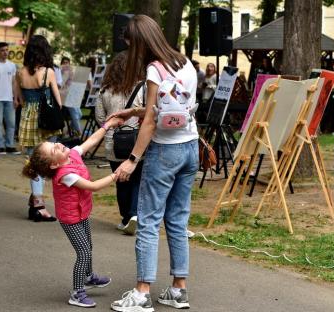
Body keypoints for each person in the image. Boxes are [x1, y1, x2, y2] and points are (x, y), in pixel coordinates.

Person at [109, 15, 199, 311]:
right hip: (190, 147)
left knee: (147, 220)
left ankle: (142, 292)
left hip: (165, 153)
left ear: (139, 43)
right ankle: (178, 290)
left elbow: (151, 122)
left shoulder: (153, 69)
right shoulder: (185, 62)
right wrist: (132, 111)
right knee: (177, 220)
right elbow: (168, 107)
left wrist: (132, 160)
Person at [21, 116, 123, 308]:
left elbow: (91, 141)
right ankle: (77, 292)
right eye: (54, 149)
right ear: (53, 165)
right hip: (70, 218)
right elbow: (92, 186)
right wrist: (115, 175)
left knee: (88, 246)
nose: (58, 144)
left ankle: (89, 276)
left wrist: (107, 126)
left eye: (55, 143)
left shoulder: (72, 155)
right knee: (83, 252)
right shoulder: (65, 175)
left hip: (81, 211)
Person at [94, 51, 144, 235]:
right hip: (137, 140)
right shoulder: (141, 88)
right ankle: (135, 214)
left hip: (113, 142)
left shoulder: (104, 91)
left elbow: (100, 118)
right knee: (138, 178)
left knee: (120, 180)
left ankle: (125, 218)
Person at [14, 35, 61, 222]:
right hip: (45, 121)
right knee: (44, 164)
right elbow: (58, 100)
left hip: (27, 119)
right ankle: (40, 207)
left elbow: (19, 100)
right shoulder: (49, 72)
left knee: (33, 162)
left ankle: (34, 204)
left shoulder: (19, 72)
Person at [61, 56, 83, 136]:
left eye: (67, 63)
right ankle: (78, 132)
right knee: (74, 114)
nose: (65, 64)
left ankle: (69, 130)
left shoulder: (71, 72)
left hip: (72, 95)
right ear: (61, 64)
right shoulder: (60, 73)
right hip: (65, 96)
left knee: (80, 114)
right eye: (64, 63)